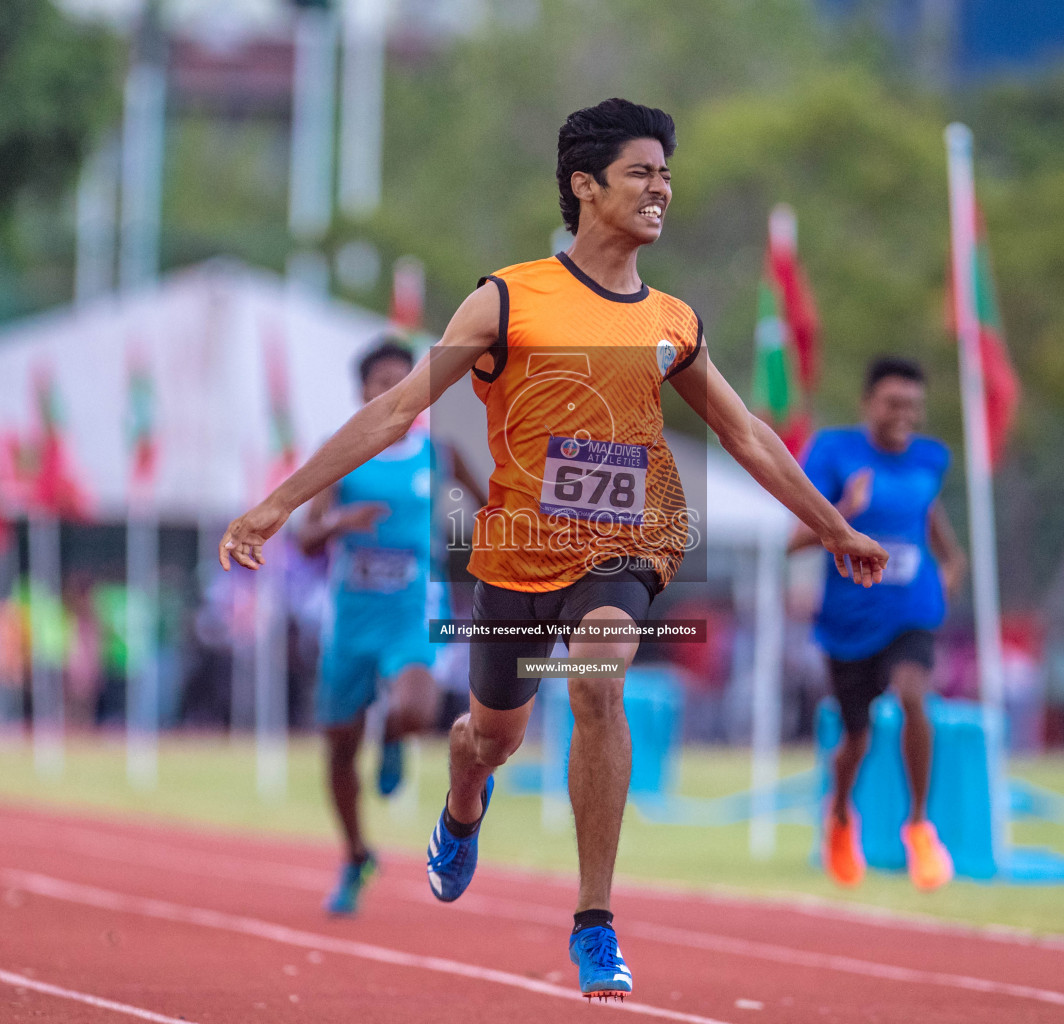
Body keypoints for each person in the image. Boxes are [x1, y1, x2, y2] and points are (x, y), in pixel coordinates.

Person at [219, 98, 886, 999]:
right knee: (488, 740)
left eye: (666, 172)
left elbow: (748, 435)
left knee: (600, 679)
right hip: (515, 554)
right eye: (643, 172)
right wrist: (274, 507)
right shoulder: (506, 298)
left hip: (633, 542)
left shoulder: (673, 321)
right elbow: (394, 412)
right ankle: (463, 803)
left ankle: (595, 921)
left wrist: (835, 525)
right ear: (586, 186)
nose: (663, 188)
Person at [297, 337, 486, 917]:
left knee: (418, 711)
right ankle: (356, 854)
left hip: (414, 609)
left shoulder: (440, 454)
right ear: (363, 389)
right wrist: (338, 523)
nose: (393, 392)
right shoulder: (343, 452)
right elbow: (304, 537)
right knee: (336, 749)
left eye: (405, 382)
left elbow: (495, 506)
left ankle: (395, 738)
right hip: (352, 618)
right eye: (382, 381)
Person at [790, 356, 966, 892]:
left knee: (914, 696)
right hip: (847, 620)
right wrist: (845, 507)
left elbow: (927, 517)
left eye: (913, 406)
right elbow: (794, 539)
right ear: (869, 403)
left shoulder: (931, 460)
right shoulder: (833, 452)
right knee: (856, 739)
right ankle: (840, 815)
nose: (903, 415)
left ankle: (918, 826)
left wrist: (953, 563)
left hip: (910, 610)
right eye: (893, 403)